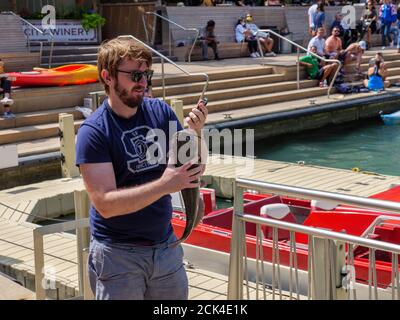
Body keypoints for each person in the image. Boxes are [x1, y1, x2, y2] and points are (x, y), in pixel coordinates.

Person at [76, 37, 208, 300]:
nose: (144, 82)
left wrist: (196, 133)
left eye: (146, 74)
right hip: (118, 257)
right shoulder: (93, 132)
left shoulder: (160, 111)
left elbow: (194, 169)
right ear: (108, 76)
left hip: (166, 248)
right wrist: (167, 184)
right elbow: (105, 203)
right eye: (135, 74)